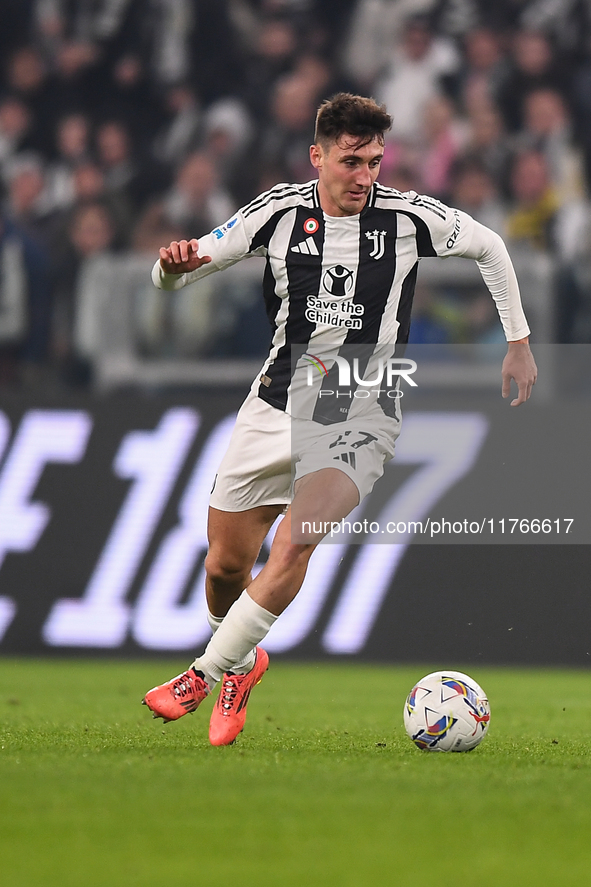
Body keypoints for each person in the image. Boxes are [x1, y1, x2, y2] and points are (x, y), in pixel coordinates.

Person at [142, 93, 537, 746]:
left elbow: (489, 246)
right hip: (273, 405)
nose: (364, 176)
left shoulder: (406, 218)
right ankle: (243, 661)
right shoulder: (275, 213)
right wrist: (166, 268)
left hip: (361, 406)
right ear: (317, 156)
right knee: (222, 567)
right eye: (351, 162)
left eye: (375, 162)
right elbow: (179, 273)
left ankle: (201, 675)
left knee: (296, 539)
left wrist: (517, 340)